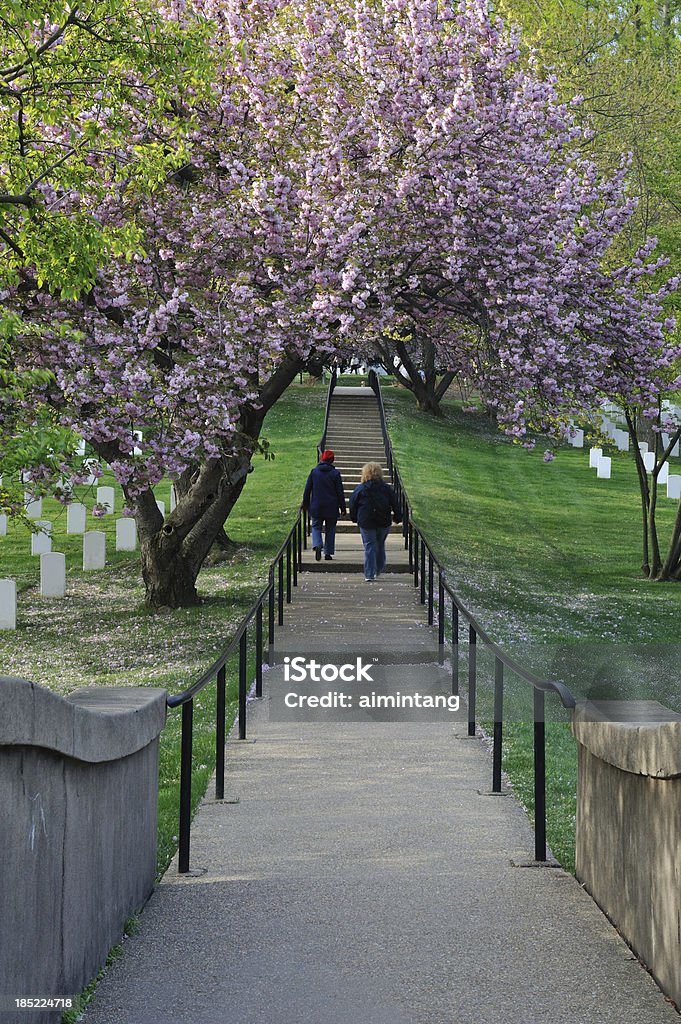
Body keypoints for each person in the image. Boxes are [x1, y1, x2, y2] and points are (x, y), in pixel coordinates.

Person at [349, 463, 402, 581]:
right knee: (380, 544)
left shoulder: (361, 488)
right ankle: (378, 569)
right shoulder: (386, 488)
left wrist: (354, 517)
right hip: (383, 520)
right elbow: (395, 503)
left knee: (369, 546)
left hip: (366, 521)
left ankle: (369, 573)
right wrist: (398, 517)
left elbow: (352, 504)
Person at [302, 450, 346, 561]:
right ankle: (328, 553)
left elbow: (307, 490)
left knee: (316, 527)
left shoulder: (314, 472)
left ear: (322, 459)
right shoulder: (335, 474)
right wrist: (343, 508)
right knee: (330, 529)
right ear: (332, 460)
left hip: (317, 506)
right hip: (331, 507)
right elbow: (340, 492)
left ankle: (317, 544)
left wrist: (305, 504)